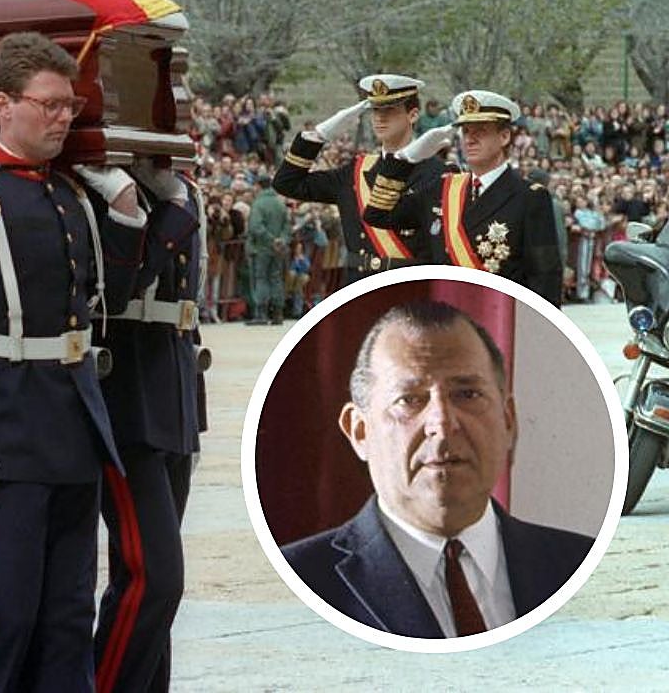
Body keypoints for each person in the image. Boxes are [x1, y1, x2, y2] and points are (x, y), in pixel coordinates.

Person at [0, 32, 145, 691]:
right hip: (8, 434)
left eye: (68, 106)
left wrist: (129, 218)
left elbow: (106, 305)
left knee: (68, 616)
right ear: (3, 104)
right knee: (3, 614)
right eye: (47, 105)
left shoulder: (69, 196)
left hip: (72, 425)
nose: (62, 118)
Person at [282, 301, 594, 638]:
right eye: (410, 399)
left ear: (508, 421)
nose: (442, 424)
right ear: (359, 431)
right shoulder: (297, 583)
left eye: (467, 394)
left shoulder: (579, 565)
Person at [92, 157, 207, 693]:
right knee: (153, 578)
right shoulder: (104, 190)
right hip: (128, 397)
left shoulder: (176, 186)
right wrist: (162, 211)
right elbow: (118, 292)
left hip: (173, 387)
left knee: (152, 585)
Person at [361, 90, 562, 306]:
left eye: (481, 131)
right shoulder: (443, 189)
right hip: (445, 315)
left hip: (498, 317)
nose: (470, 139)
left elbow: (544, 277)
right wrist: (404, 160)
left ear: (504, 137)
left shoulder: (529, 197)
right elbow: (377, 215)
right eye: (465, 131)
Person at [273, 74, 447, 284]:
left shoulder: (438, 173)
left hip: (412, 287)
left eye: (390, 111)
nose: (380, 118)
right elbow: (287, 183)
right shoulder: (356, 171)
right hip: (358, 286)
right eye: (376, 110)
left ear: (413, 115)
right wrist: (319, 135)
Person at [244, 173, 290, 324]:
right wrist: (280, 240)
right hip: (278, 248)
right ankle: (278, 313)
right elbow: (286, 226)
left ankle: (261, 313)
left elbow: (255, 227)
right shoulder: (280, 203)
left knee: (261, 278)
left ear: (258, 186)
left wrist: (271, 240)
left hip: (261, 247)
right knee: (276, 278)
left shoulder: (258, 204)